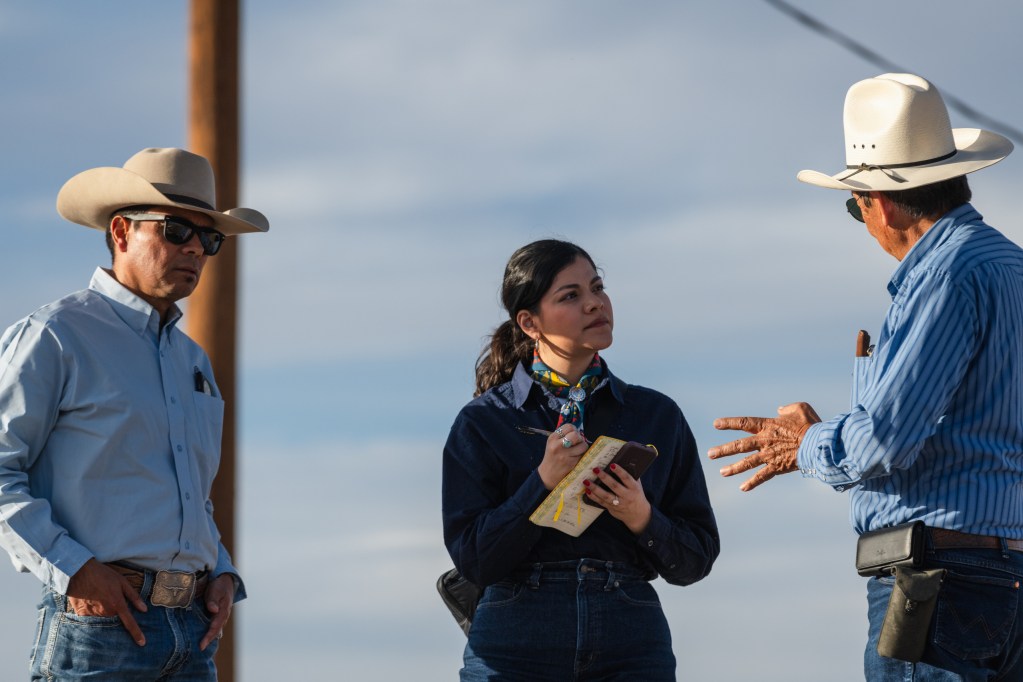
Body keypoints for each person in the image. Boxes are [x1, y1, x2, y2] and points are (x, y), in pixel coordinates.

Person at [708, 73, 1023, 680]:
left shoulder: (945, 275)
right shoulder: (1009, 265)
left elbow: (883, 442)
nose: (863, 219)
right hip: (1004, 573)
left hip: (940, 583)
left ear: (882, 202)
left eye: (855, 207)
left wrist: (807, 442)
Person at [0, 147, 269, 680]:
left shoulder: (193, 360)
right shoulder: (56, 335)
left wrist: (220, 572)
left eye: (209, 238)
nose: (195, 248)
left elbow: (191, 495)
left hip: (193, 633)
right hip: (98, 629)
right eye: (176, 230)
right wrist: (76, 571)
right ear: (121, 231)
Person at [443, 239, 719, 681]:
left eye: (597, 287)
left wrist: (642, 517)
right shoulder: (483, 422)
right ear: (529, 322)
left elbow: (696, 560)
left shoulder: (656, 415)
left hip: (629, 640)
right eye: (570, 295)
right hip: (515, 643)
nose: (594, 303)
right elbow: (474, 560)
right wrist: (542, 482)